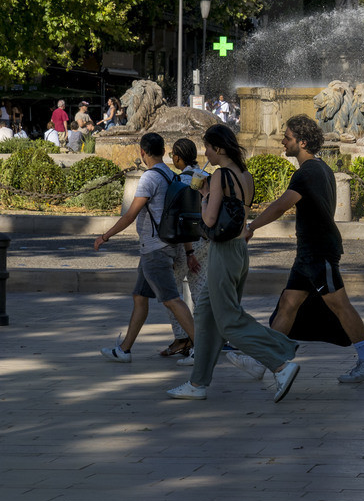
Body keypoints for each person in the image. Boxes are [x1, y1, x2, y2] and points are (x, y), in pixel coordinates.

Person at [167, 123, 301, 402]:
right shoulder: (246, 175)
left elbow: (210, 220)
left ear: (219, 148)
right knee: (205, 316)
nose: (205, 152)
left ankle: (280, 362)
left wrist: (203, 196)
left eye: (207, 147)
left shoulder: (219, 177)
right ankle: (197, 383)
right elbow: (240, 214)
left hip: (223, 251)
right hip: (240, 249)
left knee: (228, 320)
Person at [245, 115, 364, 383]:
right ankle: (263, 361)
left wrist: (251, 227)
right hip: (308, 253)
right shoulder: (321, 168)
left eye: (287, 137)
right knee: (288, 303)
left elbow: (280, 205)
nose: (282, 141)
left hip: (318, 252)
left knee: (340, 305)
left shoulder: (306, 172)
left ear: (302, 142)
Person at [92, 132, 196, 364]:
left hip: (155, 249)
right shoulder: (171, 174)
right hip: (164, 245)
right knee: (140, 296)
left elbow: (131, 214)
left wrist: (105, 236)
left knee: (172, 300)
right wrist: (188, 251)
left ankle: (200, 347)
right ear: (163, 150)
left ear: (142, 152)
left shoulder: (149, 178)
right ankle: (124, 350)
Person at [160, 138, 210, 359]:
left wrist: (189, 252)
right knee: (200, 291)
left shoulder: (179, 181)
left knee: (172, 292)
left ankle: (182, 337)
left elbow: (184, 218)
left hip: (187, 244)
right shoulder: (206, 177)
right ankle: (206, 336)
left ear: (178, 157)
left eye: (173, 156)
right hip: (207, 241)